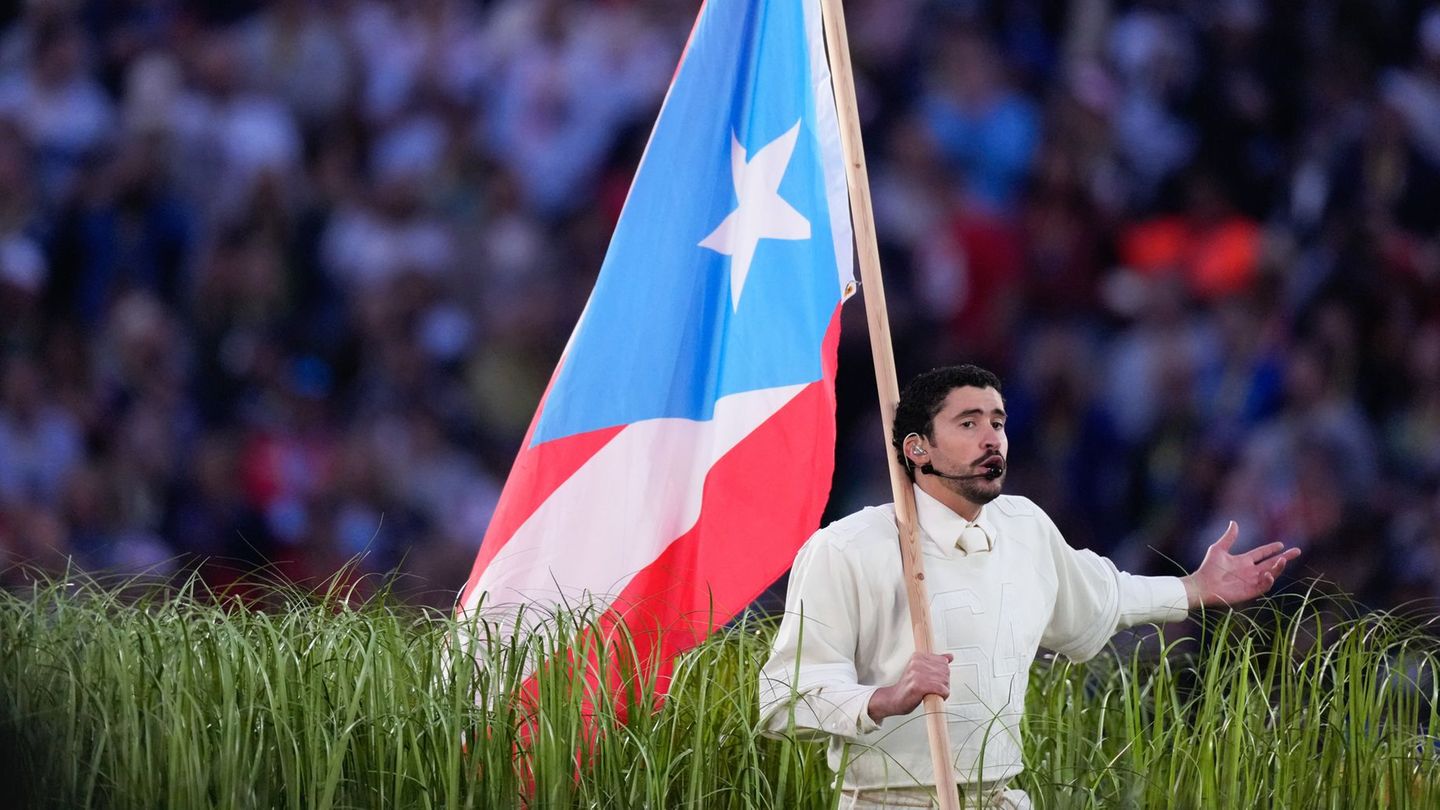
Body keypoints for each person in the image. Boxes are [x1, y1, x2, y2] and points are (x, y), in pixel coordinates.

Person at [757, 364, 1299, 809]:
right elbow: (782, 698)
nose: (992, 437)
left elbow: (1101, 593)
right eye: (968, 424)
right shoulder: (846, 547)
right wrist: (885, 698)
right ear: (917, 448)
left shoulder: (1025, 525)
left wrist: (1193, 588)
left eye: (998, 421)